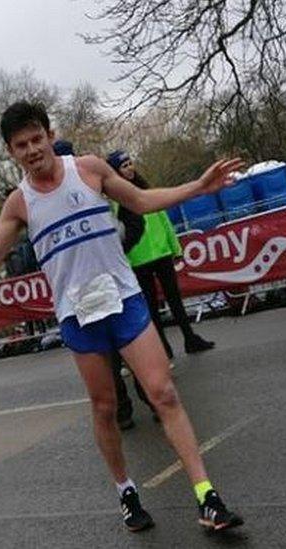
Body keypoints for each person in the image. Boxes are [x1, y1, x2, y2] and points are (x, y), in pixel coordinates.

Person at [0, 101, 245, 533]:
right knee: (105, 407)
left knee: (163, 392)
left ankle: (206, 496)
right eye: (22, 145)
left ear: (50, 135)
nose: (33, 149)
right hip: (79, 312)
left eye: (37, 139)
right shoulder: (19, 204)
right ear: (10, 152)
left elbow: (143, 200)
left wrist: (197, 188)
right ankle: (126, 491)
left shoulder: (89, 169)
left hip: (123, 297)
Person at [106, 149, 215, 430]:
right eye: (123, 165)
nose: (129, 168)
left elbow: (163, 218)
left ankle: (190, 337)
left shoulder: (144, 189)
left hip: (162, 253)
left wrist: (174, 245)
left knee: (175, 300)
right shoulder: (118, 199)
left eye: (130, 163)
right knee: (151, 310)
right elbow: (122, 235)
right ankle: (161, 352)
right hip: (139, 260)